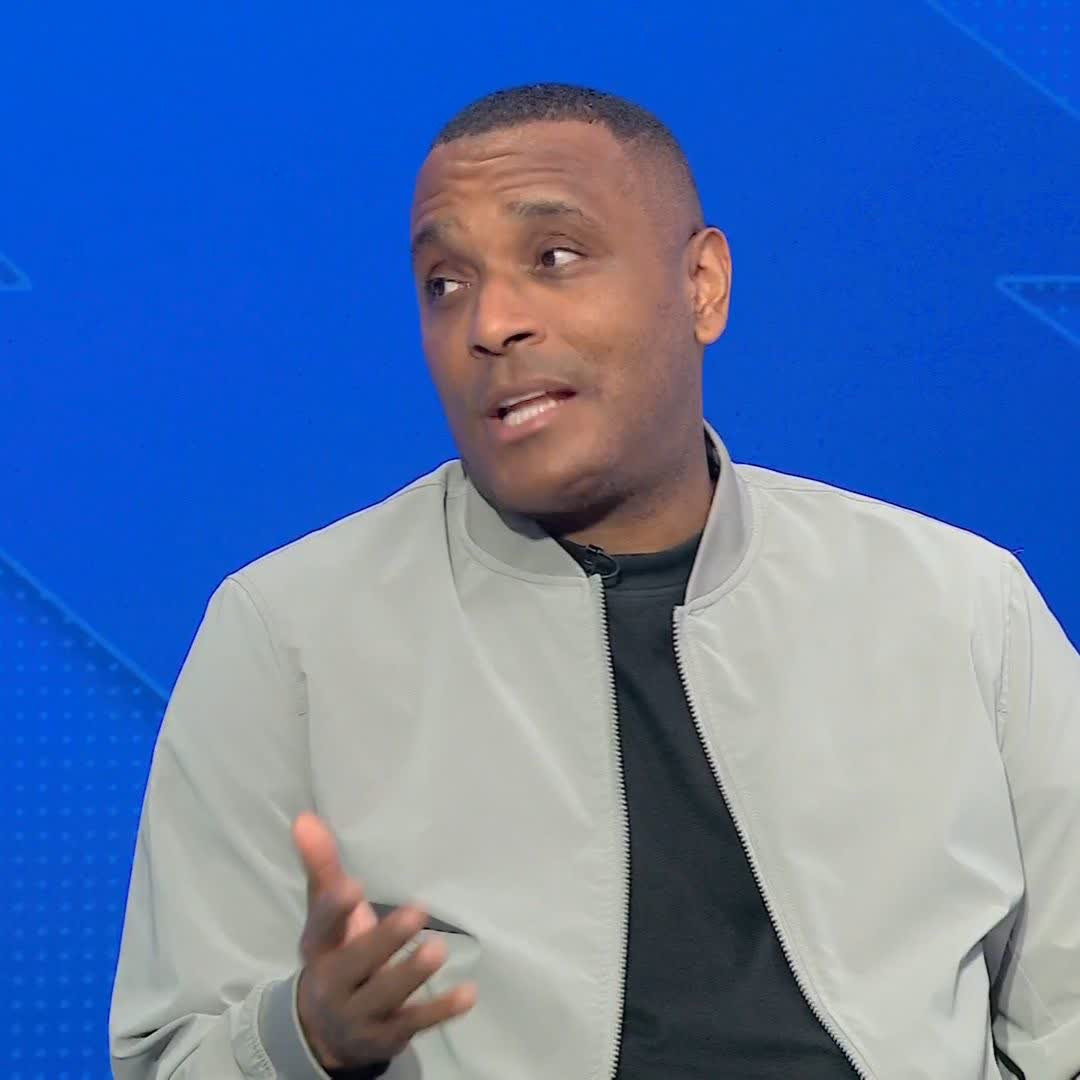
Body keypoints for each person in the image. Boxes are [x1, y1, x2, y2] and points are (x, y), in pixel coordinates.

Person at [108, 83, 1080, 1080]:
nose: (491, 322)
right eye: (444, 283)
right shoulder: (288, 635)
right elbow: (171, 1060)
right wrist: (306, 1037)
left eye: (555, 258)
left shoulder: (962, 606)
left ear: (702, 286)